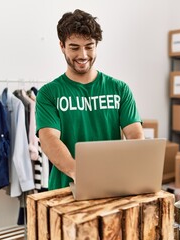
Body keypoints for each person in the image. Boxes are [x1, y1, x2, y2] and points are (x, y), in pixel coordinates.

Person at [35, 9, 144, 190]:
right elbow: (49, 140)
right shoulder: (48, 93)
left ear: (96, 45)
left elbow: (135, 135)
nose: (83, 55)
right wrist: (81, 174)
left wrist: (134, 170)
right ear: (62, 45)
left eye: (89, 46)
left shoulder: (119, 89)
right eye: (74, 47)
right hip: (65, 191)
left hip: (113, 186)